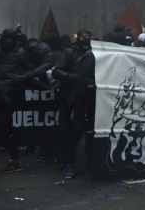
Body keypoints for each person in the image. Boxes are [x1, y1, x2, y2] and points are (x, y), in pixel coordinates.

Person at [0, 29, 35, 175]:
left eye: (11, 38)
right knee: (6, 130)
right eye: (7, 38)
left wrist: (25, 76)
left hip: (13, 95)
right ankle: (16, 162)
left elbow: (31, 69)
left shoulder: (21, 53)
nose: (9, 41)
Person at [52, 29, 96, 179]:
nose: (86, 39)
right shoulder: (69, 53)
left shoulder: (94, 52)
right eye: (83, 36)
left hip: (83, 95)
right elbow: (56, 71)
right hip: (66, 94)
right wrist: (73, 77)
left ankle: (70, 161)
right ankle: (62, 159)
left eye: (88, 37)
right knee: (64, 128)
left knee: (79, 127)